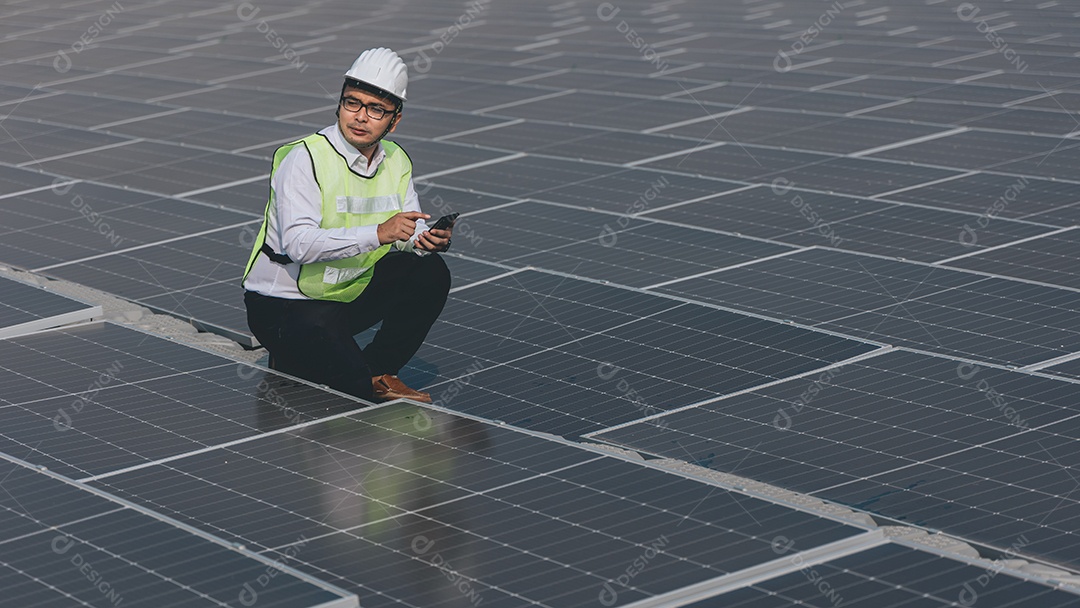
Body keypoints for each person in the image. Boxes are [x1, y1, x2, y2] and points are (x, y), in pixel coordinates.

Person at [242, 47, 451, 404]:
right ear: (339, 103)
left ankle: (379, 370)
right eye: (351, 103)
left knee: (430, 272)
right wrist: (378, 234)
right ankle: (294, 355)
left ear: (394, 120)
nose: (360, 117)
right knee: (350, 395)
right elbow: (298, 245)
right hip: (286, 307)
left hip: (343, 294)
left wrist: (424, 239)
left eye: (375, 109)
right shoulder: (305, 158)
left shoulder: (396, 160)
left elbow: (405, 229)